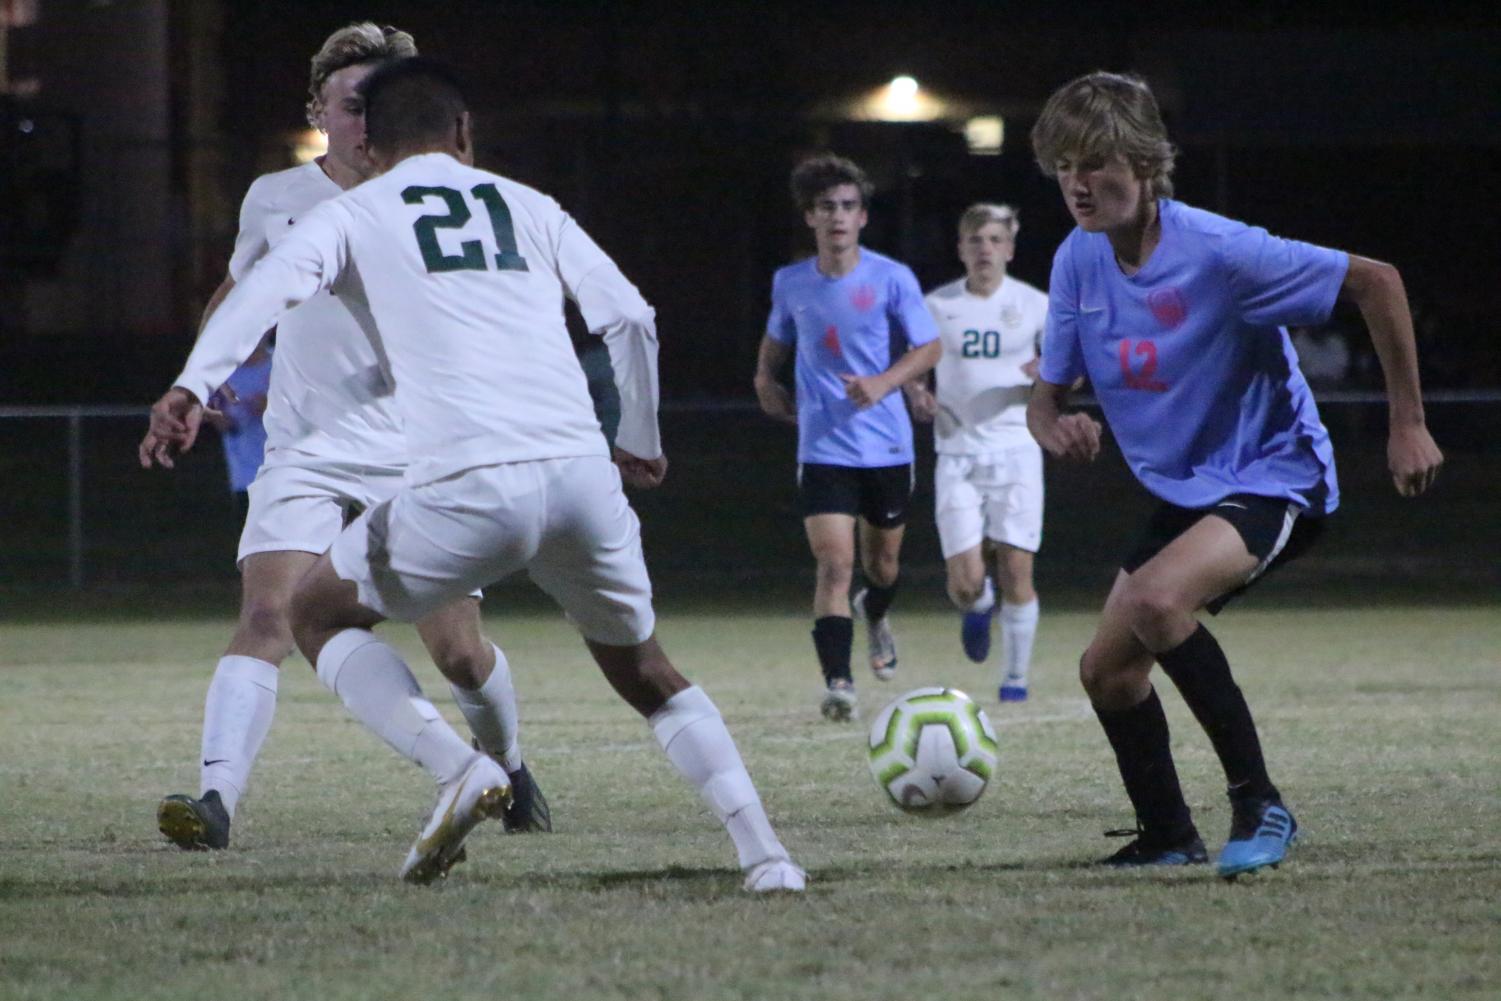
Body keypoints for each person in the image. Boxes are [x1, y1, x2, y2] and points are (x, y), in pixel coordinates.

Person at [146, 58, 805, 891]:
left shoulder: (355, 210)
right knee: (649, 673)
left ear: (373, 148)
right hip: (577, 475)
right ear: (463, 133)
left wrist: (189, 385)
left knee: (313, 616)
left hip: (462, 482)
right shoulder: (529, 204)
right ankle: (766, 855)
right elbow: (630, 316)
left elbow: (263, 291)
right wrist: (637, 435)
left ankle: (461, 768)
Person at [139, 22, 548, 853]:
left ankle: (505, 760)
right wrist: (200, 378)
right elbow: (239, 289)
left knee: (460, 654)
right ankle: (216, 799)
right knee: (268, 614)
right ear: (319, 109)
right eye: (350, 103)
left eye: (377, 103)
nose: (363, 120)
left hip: (420, 451)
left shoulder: (443, 198)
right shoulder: (276, 198)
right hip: (306, 447)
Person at [1026, 71, 1443, 877]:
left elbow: (1377, 282)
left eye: (1097, 161)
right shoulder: (1078, 258)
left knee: (1155, 600)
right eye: (1063, 164)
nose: (1078, 182)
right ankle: (1166, 834)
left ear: (1146, 162)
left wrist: (1407, 422)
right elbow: (1047, 396)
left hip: (1273, 474)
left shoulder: (1221, 251)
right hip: (1183, 488)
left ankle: (1260, 802)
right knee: (1106, 673)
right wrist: (1056, 423)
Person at [753, 154, 942, 722]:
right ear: (810, 217)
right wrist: (764, 378)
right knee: (834, 565)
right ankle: (839, 682)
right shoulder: (791, 282)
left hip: (886, 448)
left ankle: (876, 612)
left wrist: (890, 384)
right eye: (826, 207)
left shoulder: (891, 278)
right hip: (823, 447)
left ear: (862, 217)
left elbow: (927, 347)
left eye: (848, 206)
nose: (837, 216)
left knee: (882, 566)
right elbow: (776, 341)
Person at [907, 203, 1048, 702]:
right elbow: (915, 368)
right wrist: (917, 394)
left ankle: (1015, 679)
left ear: (1009, 248)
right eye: (974, 240)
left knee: (1016, 569)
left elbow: (1069, 369)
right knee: (964, 584)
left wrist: (1050, 375)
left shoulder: (1035, 305)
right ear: (961, 248)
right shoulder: (937, 305)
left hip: (1016, 450)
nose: (984, 249)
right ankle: (979, 604)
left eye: (993, 239)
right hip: (957, 451)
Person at [210, 334, 273, 519]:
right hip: (245, 476)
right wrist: (221, 417)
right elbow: (222, 422)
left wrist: (273, 406)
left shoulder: (283, 362)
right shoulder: (224, 375)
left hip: (287, 471)